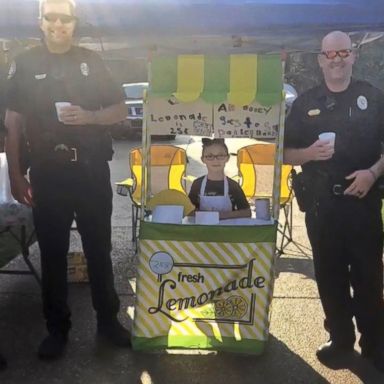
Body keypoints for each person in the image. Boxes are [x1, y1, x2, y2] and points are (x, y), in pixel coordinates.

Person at [4, 0, 131, 360]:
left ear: (75, 23)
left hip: (91, 172)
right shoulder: (25, 63)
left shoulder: (92, 59)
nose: (59, 24)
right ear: (40, 21)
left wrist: (90, 116)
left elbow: (121, 109)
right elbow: (13, 123)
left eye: (66, 18)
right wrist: (15, 174)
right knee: (54, 254)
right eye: (52, 17)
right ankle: (57, 329)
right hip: (47, 174)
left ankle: (108, 322)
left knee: (99, 249)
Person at [284, 30, 384, 372]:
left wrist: (372, 173)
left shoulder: (373, 96)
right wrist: (308, 153)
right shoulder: (305, 102)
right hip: (321, 206)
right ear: (320, 60)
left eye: (344, 52)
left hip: (364, 203)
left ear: (354, 56)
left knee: (370, 276)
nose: (337, 59)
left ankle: (374, 342)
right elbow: (284, 154)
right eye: (330, 54)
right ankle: (339, 338)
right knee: (329, 276)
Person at [189, 138, 251, 219]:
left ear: (227, 158)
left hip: (227, 230)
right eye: (210, 156)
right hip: (203, 230)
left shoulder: (233, 186)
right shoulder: (197, 184)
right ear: (203, 159)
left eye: (220, 155)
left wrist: (220, 215)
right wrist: (208, 216)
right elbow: (189, 211)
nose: (215, 160)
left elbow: (247, 212)